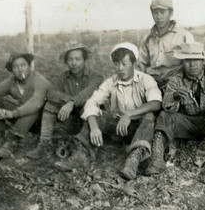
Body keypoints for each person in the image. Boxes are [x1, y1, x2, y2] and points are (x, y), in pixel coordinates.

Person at [55, 43, 162, 180]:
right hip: (118, 127)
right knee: (97, 115)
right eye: (117, 64)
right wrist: (94, 127)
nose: (120, 68)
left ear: (134, 63)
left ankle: (133, 160)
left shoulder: (145, 79)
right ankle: (81, 156)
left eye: (124, 64)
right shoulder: (111, 82)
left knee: (149, 115)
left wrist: (129, 114)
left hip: (139, 130)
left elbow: (156, 103)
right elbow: (91, 103)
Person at [146, 42, 205, 177]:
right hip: (187, 125)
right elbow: (166, 105)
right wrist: (175, 97)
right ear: (182, 62)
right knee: (163, 116)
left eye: (196, 60)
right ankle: (156, 160)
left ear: (203, 61)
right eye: (187, 60)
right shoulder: (175, 80)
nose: (192, 64)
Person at [26, 42, 103, 159]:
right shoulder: (62, 77)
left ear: (84, 60)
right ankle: (44, 144)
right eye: (70, 59)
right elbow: (51, 92)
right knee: (50, 105)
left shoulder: (96, 76)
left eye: (78, 59)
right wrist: (68, 102)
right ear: (66, 61)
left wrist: (72, 103)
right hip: (70, 121)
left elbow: (89, 92)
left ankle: (84, 148)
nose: (74, 63)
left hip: (90, 123)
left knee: (88, 105)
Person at [0, 52, 49, 159]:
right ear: (12, 70)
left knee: (33, 108)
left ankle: (11, 143)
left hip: (39, 121)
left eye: (23, 65)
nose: (20, 69)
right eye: (16, 67)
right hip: (21, 117)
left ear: (29, 66)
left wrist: (13, 114)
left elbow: (36, 103)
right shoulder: (12, 82)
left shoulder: (39, 81)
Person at [137, 0, 195, 90]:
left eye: (162, 12)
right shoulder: (148, 38)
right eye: (155, 12)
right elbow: (141, 66)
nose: (158, 16)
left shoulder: (183, 36)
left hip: (176, 84)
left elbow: (192, 65)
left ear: (171, 13)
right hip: (152, 84)